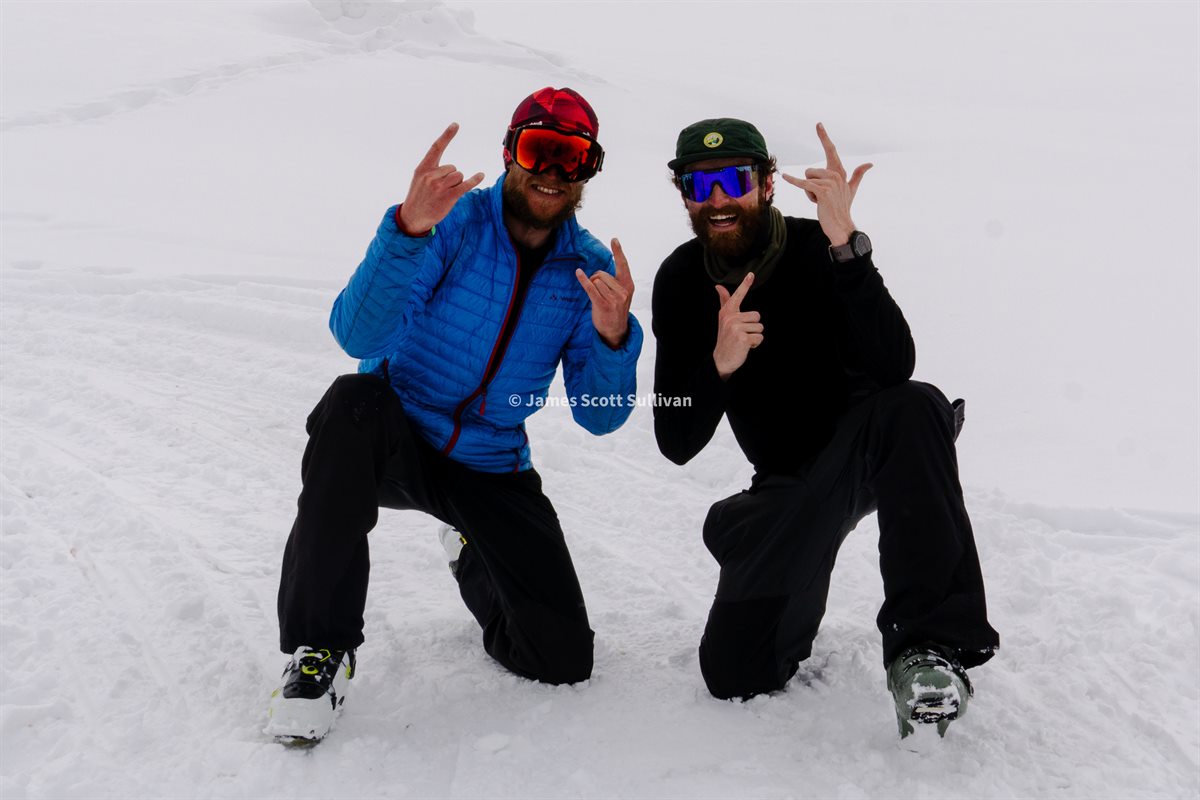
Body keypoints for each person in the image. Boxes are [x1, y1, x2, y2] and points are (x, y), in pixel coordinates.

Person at [266, 87, 642, 743]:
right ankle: (320, 653)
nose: (552, 171)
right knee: (349, 403)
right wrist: (407, 232)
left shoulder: (589, 269)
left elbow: (599, 417)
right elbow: (357, 335)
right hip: (396, 439)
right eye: (538, 149)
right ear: (509, 153)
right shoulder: (452, 225)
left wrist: (612, 339)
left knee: (561, 659)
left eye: (571, 157)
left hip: (491, 467)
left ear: (587, 171)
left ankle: (468, 548)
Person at [651, 118, 999, 738]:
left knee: (916, 406)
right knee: (735, 675)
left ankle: (929, 649)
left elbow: (896, 367)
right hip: (792, 485)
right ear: (683, 194)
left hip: (870, 446)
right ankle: (741, 525)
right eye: (699, 185)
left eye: (734, 179)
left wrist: (849, 247)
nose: (718, 199)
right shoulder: (681, 280)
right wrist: (717, 366)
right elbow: (676, 437)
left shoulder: (821, 246)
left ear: (765, 184)